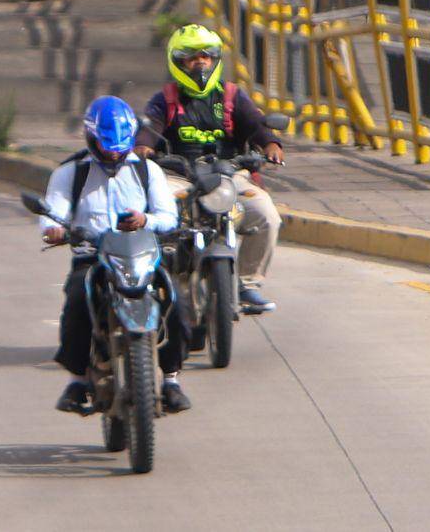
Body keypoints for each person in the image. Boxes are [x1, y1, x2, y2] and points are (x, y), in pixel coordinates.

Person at [40, 95, 192, 415]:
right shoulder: (71, 172)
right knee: (77, 299)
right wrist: (55, 228)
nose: (113, 153)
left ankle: (172, 380)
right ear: (91, 138)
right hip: (93, 255)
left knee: (176, 300)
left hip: (141, 253)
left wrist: (145, 220)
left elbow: (169, 215)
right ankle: (78, 379)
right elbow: (53, 213)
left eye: (120, 147)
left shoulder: (147, 171)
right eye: (106, 146)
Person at [135, 24, 283, 314]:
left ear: (215, 59)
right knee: (157, 214)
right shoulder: (164, 99)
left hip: (229, 174)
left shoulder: (231, 96)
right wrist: (143, 146)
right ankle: (155, 278)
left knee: (267, 215)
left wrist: (271, 145)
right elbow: (149, 127)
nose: (200, 62)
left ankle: (248, 284)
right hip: (178, 175)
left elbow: (256, 124)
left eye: (206, 56)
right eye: (191, 57)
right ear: (178, 62)